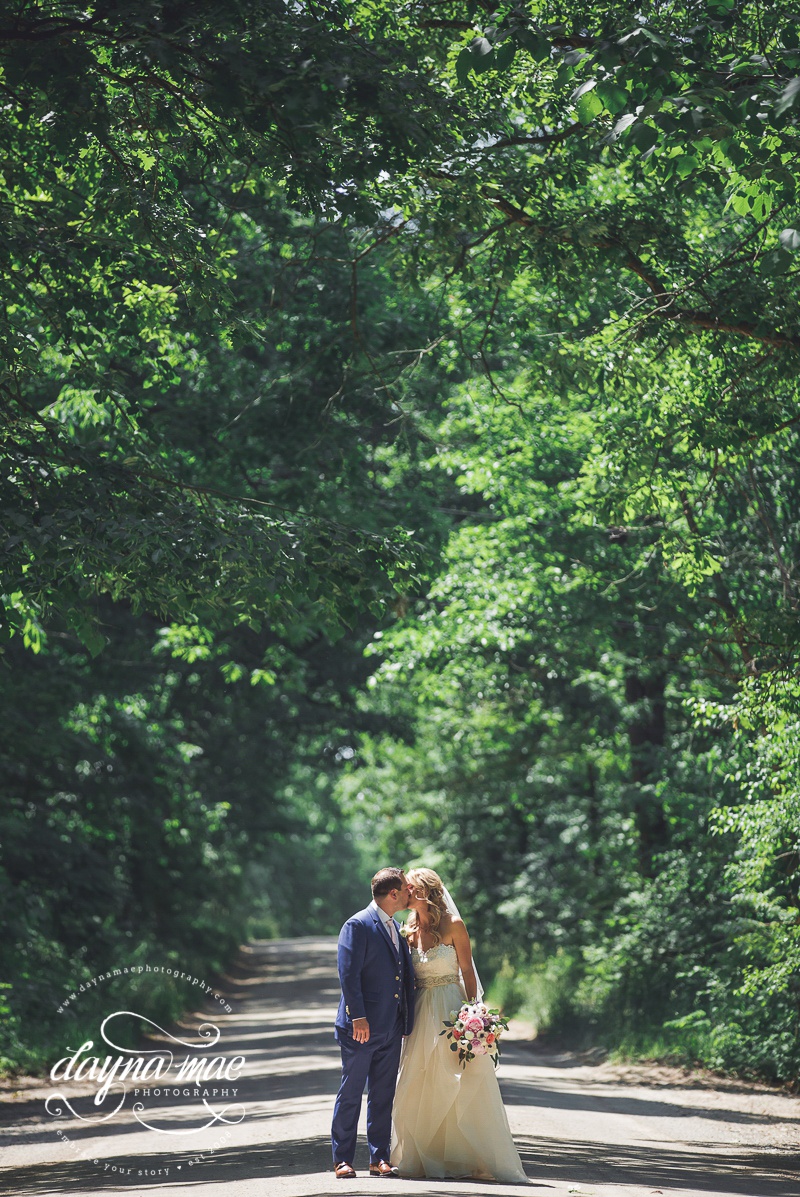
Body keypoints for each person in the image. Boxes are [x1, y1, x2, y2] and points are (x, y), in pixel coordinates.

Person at [391, 867, 528, 1184]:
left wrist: (474, 1016)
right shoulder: (406, 927)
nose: (403, 893)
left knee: (455, 1080)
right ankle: (423, 1156)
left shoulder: (454, 925)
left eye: (409, 888)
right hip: (420, 1009)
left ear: (423, 890)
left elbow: (468, 972)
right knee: (418, 1079)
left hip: (451, 1007)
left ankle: (464, 1156)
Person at [331, 867, 415, 1179]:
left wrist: (406, 1021)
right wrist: (359, 1016)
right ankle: (342, 1159)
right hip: (361, 1027)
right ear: (394, 894)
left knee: (383, 1094)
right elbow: (348, 975)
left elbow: (402, 977)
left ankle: (379, 1158)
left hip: (392, 1027)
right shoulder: (357, 924)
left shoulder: (397, 926)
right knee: (352, 1092)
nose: (410, 893)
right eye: (406, 889)